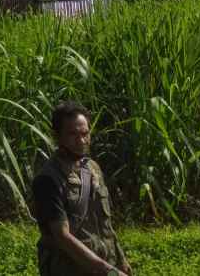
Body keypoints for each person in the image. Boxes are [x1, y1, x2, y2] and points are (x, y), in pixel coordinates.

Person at [32, 101, 132, 276]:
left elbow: (105, 224)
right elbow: (62, 237)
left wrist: (121, 261)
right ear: (57, 136)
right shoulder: (47, 180)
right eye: (73, 134)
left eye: (85, 133)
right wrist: (108, 271)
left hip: (103, 267)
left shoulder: (93, 169)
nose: (81, 140)